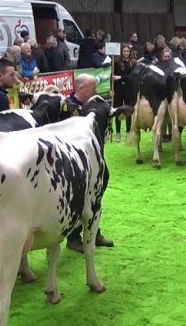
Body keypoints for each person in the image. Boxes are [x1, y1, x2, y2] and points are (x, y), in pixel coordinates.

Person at [62, 74, 113, 252]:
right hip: (74, 161)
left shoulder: (94, 105)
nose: (96, 92)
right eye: (92, 88)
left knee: (96, 194)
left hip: (94, 157)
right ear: (82, 89)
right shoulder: (66, 106)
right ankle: (74, 238)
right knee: (77, 198)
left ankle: (94, 233)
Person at [112, 44, 135, 141]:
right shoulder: (116, 62)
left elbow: (131, 76)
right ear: (121, 52)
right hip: (118, 88)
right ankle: (118, 132)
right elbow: (113, 77)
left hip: (128, 88)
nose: (126, 53)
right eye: (124, 51)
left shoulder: (132, 63)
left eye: (128, 51)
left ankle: (128, 131)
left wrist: (120, 77)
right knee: (118, 109)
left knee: (128, 109)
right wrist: (112, 89)